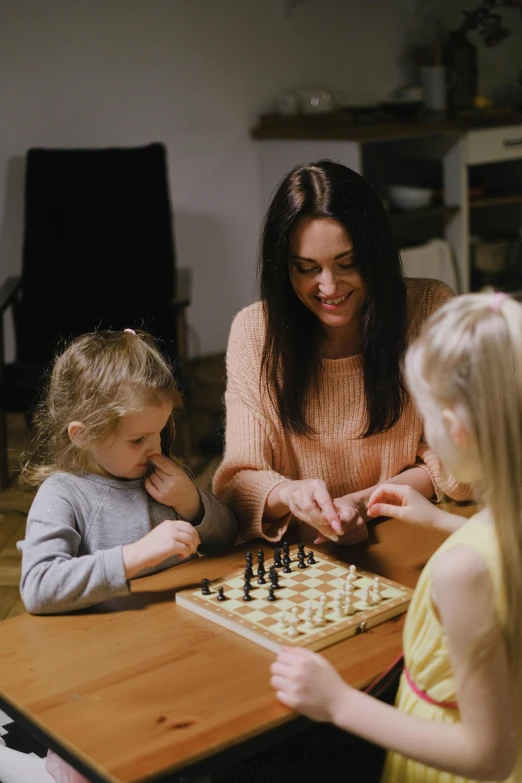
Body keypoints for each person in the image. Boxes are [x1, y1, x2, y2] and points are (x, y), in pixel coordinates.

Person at [270, 291, 520, 783]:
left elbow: (489, 755)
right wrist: (443, 521)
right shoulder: (501, 525)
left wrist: (338, 703)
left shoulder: (461, 571)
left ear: (454, 430)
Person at [214, 160, 471, 545]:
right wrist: (289, 494)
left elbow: (468, 461)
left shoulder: (429, 308)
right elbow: (236, 484)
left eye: (347, 263)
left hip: (408, 535)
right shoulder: (255, 331)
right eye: (306, 268)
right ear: (283, 268)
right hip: (305, 560)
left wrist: (364, 503)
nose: (329, 286)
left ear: (376, 255)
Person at [18, 328, 237, 614]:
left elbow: (227, 538)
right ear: (82, 436)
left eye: (159, 432)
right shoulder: (62, 495)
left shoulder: (159, 473)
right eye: (137, 440)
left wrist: (193, 505)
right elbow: (39, 588)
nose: (155, 448)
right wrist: (135, 556)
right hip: (107, 642)